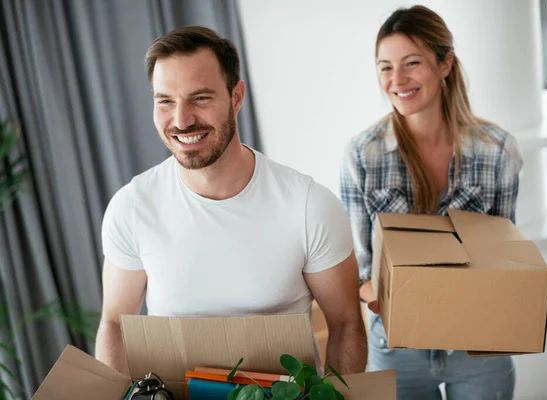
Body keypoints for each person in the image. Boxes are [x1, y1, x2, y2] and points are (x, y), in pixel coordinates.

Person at [95, 26, 367, 376]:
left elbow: (345, 323)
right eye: (165, 101)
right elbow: (115, 324)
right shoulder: (131, 207)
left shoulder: (309, 206)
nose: (181, 120)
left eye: (200, 98)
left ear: (236, 97)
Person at [340, 5, 522, 400]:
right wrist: (395, 302)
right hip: (398, 347)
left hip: (479, 344)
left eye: (412, 63)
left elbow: (503, 260)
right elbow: (361, 268)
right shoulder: (362, 155)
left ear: (445, 64)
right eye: (385, 67)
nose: (397, 79)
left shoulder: (497, 151)